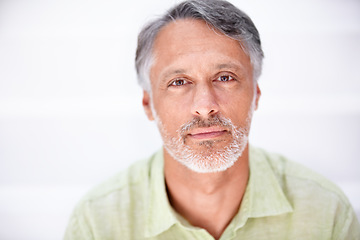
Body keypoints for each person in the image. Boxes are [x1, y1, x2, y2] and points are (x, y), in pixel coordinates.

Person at [64, 0, 360, 239]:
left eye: (225, 77)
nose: (205, 107)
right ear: (148, 104)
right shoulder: (97, 224)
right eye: (179, 82)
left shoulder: (326, 213)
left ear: (255, 94)